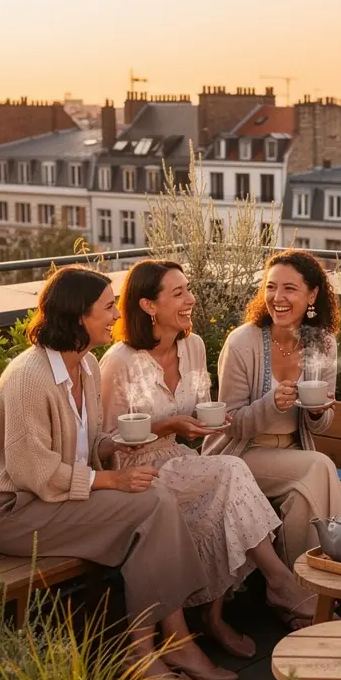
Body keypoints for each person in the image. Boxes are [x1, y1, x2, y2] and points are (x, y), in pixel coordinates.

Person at [0, 264, 233, 680]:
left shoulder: (86, 366)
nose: (116, 315)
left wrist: (124, 444)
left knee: (155, 502)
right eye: (108, 307)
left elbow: (88, 447)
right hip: (15, 512)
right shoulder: (29, 378)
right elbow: (32, 472)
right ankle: (161, 647)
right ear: (77, 317)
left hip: (57, 501)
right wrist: (112, 482)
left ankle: (159, 645)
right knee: (152, 505)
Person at [100, 259, 319, 649]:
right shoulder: (119, 362)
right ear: (149, 305)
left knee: (229, 480)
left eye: (189, 290)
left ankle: (218, 614)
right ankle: (280, 583)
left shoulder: (194, 346)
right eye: (179, 293)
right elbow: (101, 445)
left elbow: (203, 410)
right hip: (131, 474)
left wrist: (204, 424)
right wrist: (167, 426)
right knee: (230, 475)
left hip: (178, 459)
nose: (191, 299)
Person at [204, 249, 341, 570]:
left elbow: (322, 424)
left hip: (293, 457)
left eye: (289, 288)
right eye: (271, 287)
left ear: (312, 295)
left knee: (303, 497)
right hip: (240, 454)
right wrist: (270, 405)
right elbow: (231, 425)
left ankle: (300, 591)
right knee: (319, 467)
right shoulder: (243, 342)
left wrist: (315, 413)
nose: (277, 297)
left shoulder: (323, 345)